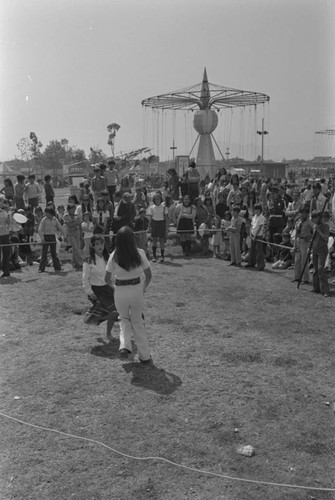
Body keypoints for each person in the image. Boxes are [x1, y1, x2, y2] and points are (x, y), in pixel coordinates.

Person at [105, 226, 152, 363]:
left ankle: (125, 346)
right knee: (137, 322)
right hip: (136, 289)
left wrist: (116, 288)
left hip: (120, 291)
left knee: (124, 320)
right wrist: (141, 289)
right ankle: (145, 356)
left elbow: (107, 279)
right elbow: (149, 276)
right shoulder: (140, 253)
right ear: (133, 239)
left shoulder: (114, 256)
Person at [82, 234, 118, 340]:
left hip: (108, 288)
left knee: (116, 311)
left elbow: (113, 274)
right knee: (112, 312)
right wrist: (90, 293)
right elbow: (85, 279)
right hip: (96, 291)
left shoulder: (110, 258)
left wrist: (116, 286)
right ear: (92, 246)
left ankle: (108, 333)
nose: (100, 246)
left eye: (101, 243)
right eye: (97, 244)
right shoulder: (88, 260)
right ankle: (95, 318)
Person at [292, 206, 314, 284]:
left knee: (304, 261)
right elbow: (296, 232)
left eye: (304, 213)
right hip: (298, 240)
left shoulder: (309, 222)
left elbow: (314, 230)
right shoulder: (298, 221)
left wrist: (310, 237)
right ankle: (297, 277)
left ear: (307, 214)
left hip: (305, 241)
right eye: (301, 212)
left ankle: (305, 278)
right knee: (297, 260)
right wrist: (295, 244)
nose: (302, 214)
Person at [38, 207, 63, 273]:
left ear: (50, 213)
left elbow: (60, 227)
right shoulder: (44, 220)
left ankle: (57, 267)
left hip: (52, 236)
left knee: (54, 253)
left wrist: (62, 235)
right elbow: (40, 229)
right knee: (44, 254)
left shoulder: (55, 219)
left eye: (46, 212)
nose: (45, 213)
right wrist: (42, 239)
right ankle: (41, 269)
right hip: (46, 236)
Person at [311, 210, 330, 296]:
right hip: (315, 248)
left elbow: (326, 238)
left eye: (317, 217)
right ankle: (316, 288)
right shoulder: (314, 226)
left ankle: (325, 290)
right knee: (315, 269)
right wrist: (310, 248)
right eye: (314, 218)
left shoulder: (326, 226)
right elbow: (313, 239)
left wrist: (318, 230)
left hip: (322, 249)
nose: (315, 219)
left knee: (321, 269)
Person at [147, 192, 168, 263]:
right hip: (154, 224)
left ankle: (162, 256)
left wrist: (167, 229)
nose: (157, 200)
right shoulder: (152, 207)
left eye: (158, 199)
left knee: (162, 240)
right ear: (154, 200)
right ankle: (154, 256)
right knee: (154, 240)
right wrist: (149, 227)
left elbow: (166, 218)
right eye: (156, 199)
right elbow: (150, 218)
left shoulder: (164, 207)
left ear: (160, 199)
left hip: (161, 224)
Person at [245, 203, 265, 270]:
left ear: (260, 210)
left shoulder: (261, 217)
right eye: (255, 210)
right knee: (252, 249)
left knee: (259, 251)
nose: (256, 211)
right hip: (253, 234)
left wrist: (255, 235)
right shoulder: (254, 217)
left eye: (258, 210)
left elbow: (260, 227)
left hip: (258, 235)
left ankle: (261, 265)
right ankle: (251, 263)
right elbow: (252, 226)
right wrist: (251, 234)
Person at [64, 203, 83, 270]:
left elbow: (80, 225)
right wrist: (76, 223)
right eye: (71, 209)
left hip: (77, 233)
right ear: (68, 209)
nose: (73, 210)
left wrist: (81, 234)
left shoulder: (76, 215)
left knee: (76, 248)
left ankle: (74, 262)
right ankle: (80, 262)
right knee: (75, 248)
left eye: (74, 209)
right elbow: (69, 225)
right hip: (71, 233)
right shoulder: (66, 216)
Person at [0, 197, 11, 277]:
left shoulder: (5, 212)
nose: (3, 203)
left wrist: (10, 217)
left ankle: (6, 271)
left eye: (3, 202)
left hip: (5, 234)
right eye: (1, 202)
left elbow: (8, 223)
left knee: (6, 253)